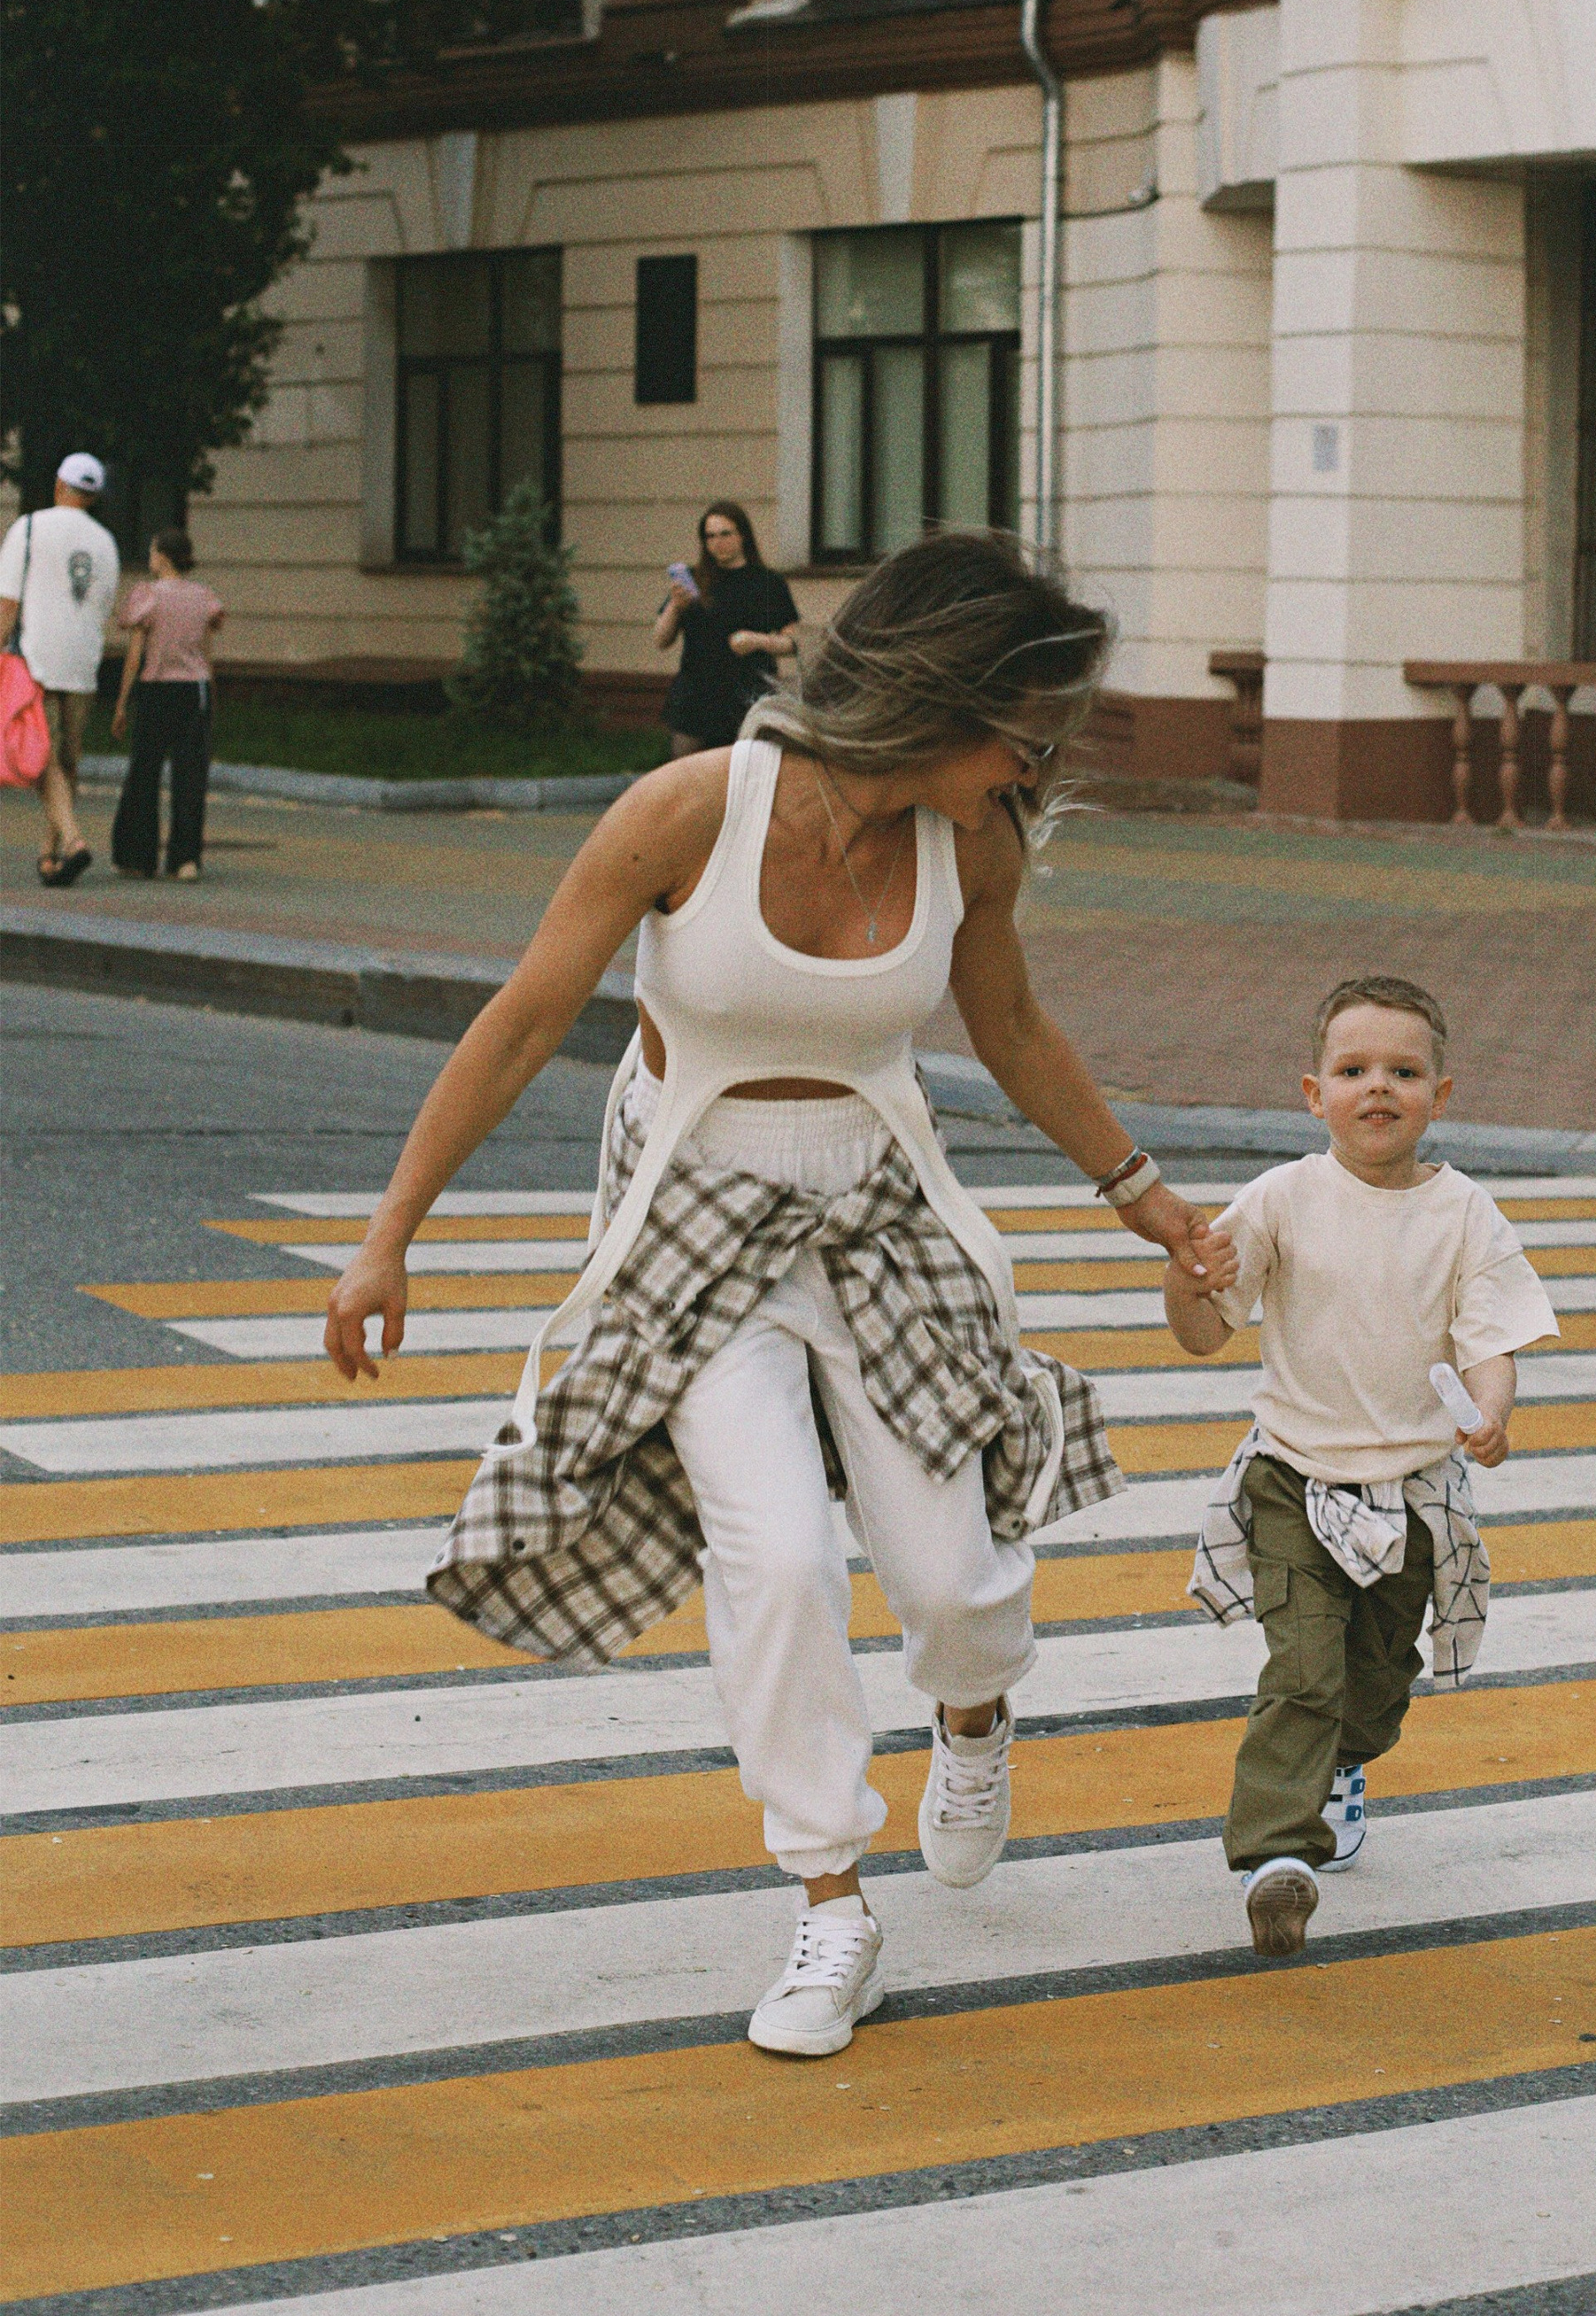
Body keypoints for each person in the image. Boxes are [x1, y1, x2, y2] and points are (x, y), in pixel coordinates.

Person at [322, 528, 1213, 2060]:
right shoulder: (691, 809)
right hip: (690, 1201)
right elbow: (528, 1016)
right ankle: (830, 1897)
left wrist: (1149, 1200)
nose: (1044, 755)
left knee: (949, 1581)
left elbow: (1012, 1031)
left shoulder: (971, 838)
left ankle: (978, 1711)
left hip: (871, 1194)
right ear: (941, 696)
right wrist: (388, 1232)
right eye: (1029, 722)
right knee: (779, 1553)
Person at [1170, 973, 1561, 1956]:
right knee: (1303, 1669)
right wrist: (1185, 1277)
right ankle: (1273, 1856)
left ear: (1441, 1093)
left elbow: (1492, 1337)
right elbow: (1205, 1328)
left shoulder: (1465, 1212)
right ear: (1314, 1094)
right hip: (1294, 1480)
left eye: (1403, 1070)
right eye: (1352, 1070)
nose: (1376, 1088)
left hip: (1416, 1493)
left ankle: (1347, 1761)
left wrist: (1491, 1414)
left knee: (1379, 1674)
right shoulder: (1282, 1199)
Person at [0, 453, 121, 888]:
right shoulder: (107, 542)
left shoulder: (29, 528)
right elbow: (104, 606)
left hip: (38, 661)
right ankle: (49, 856)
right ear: (94, 495)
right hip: (84, 662)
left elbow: (8, 604)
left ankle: (72, 841)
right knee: (68, 758)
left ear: (58, 486)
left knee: (41, 759)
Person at [110, 530, 225, 881]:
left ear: (163, 557)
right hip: (195, 691)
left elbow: (135, 656)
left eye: (152, 550)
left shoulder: (148, 597)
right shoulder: (204, 597)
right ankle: (185, 859)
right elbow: (206, 650)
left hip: (157, 691)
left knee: (144, 772)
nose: (150, 556)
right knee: (191, 775)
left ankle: (139, 858)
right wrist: (212, 693)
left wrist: (121, 703)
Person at [655, 500, 799, 756]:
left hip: (747, 694)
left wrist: (758, 641)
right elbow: (661, 640)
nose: (717, 542)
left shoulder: (768, 582)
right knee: (686, 777)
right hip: (696, 696)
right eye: (710, 536)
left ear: (743, 535)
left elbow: (793, 642)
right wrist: (675, 607)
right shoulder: (694, 580)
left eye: (725, 534)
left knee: (741, 774)